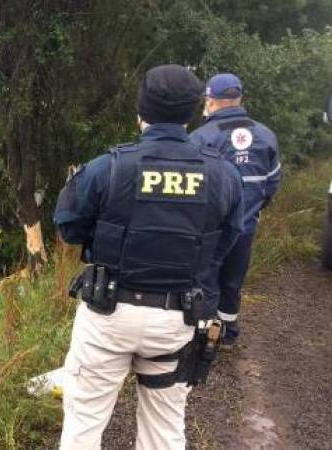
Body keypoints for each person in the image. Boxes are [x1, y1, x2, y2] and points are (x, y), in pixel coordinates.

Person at [54, 64, 244, 449]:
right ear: (193, 113)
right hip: (176, 319)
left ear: (141, 111)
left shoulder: (108, 167)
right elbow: (228, 240)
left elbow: (68, 228)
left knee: (83, 425)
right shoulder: (223, 175)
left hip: (107, 316)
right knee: (164, 429)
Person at [189, 73, 282, 348]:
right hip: (245, 225)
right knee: (232, 279)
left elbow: (192, 187)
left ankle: (204, 338)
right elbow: (272, 183)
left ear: (210, 101)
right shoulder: (266, 135)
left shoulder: (200, 138)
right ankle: (228, 333)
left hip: (210, 229)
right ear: (239, 98)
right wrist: (253, 211)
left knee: (206, 279)